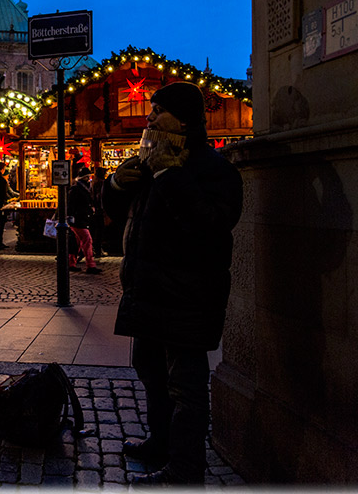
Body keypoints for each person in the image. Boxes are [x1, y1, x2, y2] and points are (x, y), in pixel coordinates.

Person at [103, 82, 243, 486]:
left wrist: (168, 173)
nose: (148, 116)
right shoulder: (150, 161)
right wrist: (115, 183)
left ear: (182, 118)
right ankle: (160, 442)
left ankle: (185, 470)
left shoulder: (216, 170)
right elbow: (110, 213)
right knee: (147, 367)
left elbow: (210, 225)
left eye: (157, 109)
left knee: (186, 385)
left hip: (188, 296)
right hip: (147, 290)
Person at [67, 167, 100, 274]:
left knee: (77, 242)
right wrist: (71, 216)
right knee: (87, 240)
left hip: (81, 218)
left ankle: (71, 263)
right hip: (79, 219)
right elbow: (71, 204)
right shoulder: (77, 189)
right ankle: (90, 264)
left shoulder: (83, 187)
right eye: (88, 177)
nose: (89, 179)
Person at [90, 167, 107, 257]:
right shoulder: (101, 183)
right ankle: (98, 249)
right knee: (99, 230)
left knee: (95, 230)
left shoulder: (93, 183)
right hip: (99, 210)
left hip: (95, 209)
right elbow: (100, 197)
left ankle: (95, 249)